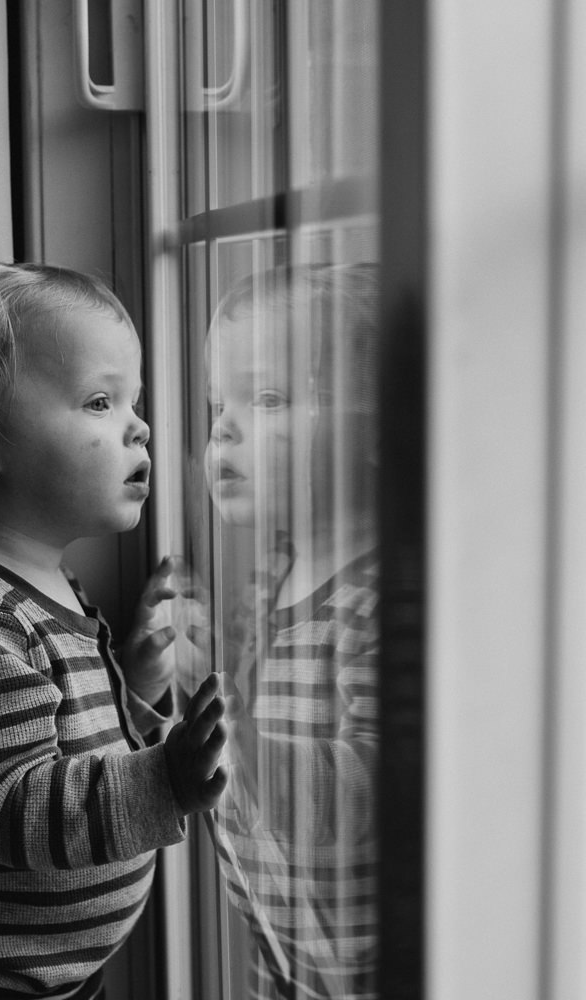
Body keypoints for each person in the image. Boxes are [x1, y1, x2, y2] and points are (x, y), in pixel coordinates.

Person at [0, 261, 228, 1000]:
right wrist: (166, 778)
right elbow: (17, 809)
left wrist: (139, 686)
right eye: (99, 401)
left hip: (42, 974)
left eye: (134, 401)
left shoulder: (39, 583)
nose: (140, 425)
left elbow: (66, 740)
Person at [200, 262, 382, 999]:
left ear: (377, 433)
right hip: (281, 952)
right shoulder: (266, 578)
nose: (223, 428)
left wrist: (248, 754)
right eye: (221, 402)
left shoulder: (379, 606)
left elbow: (383, 794)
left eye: (269, 398)